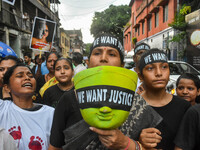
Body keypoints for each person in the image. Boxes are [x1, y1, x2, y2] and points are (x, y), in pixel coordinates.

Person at [49, 33, 162, 150]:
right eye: (97, 53)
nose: (103, 58)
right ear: (88, 63)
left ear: (122, 65)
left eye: (112, 54)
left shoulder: (136, 103)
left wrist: (128, 144)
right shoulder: (69, 99)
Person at [134, 49, 191, 149]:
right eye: (150, 68)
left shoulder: (184, 107)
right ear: (140, 76)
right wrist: (138, 142)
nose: (159, 73)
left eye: (164, 67)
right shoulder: (132, 106)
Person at [0, 63, 54, 149]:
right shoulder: (2, 108)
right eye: (20, 76)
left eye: (30, 75)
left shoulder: (51, 114)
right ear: (7, 87)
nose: (27, 78)